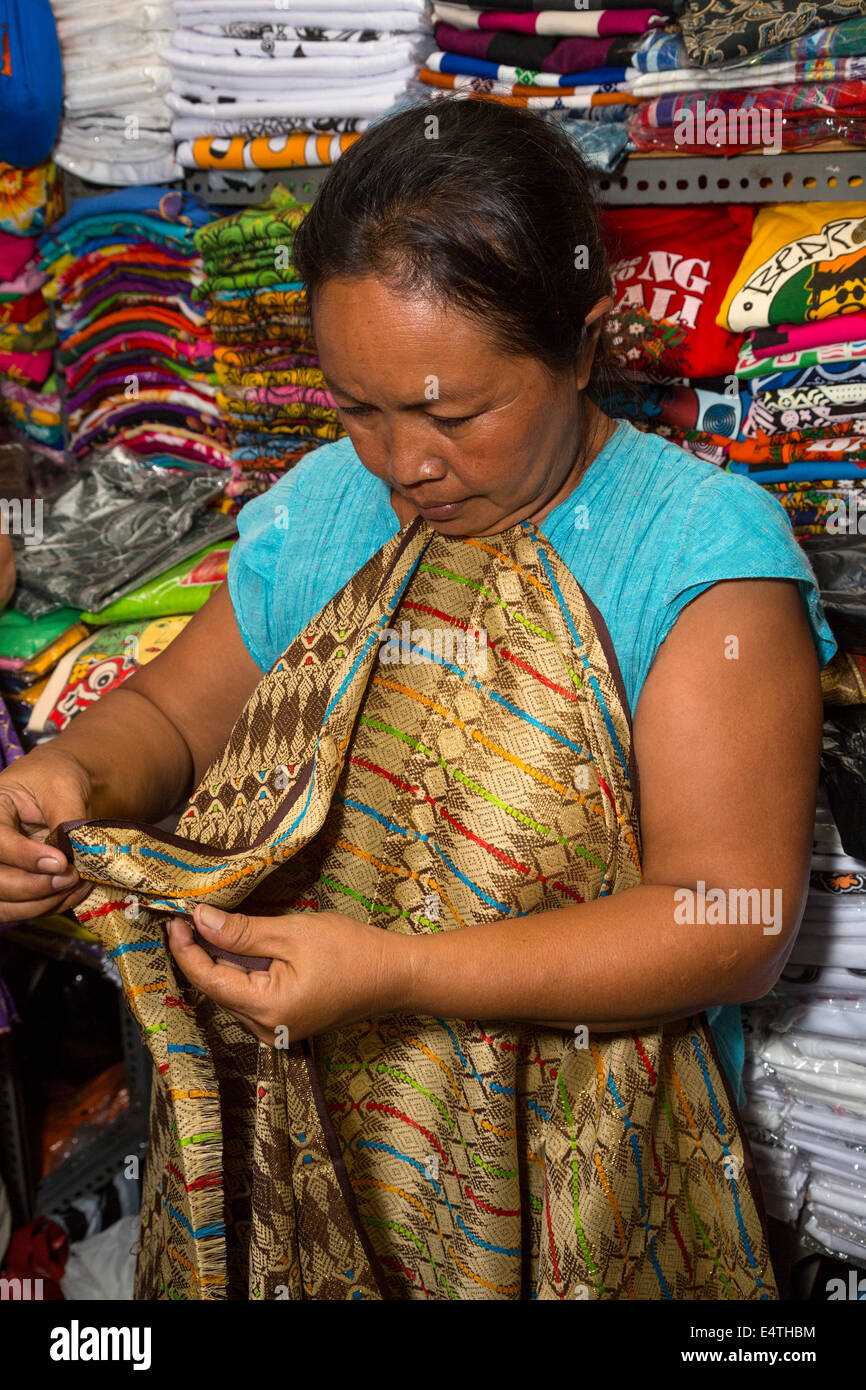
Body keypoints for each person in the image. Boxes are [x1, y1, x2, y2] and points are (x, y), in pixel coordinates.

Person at [0, 100, 836, 1300]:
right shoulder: (327, 502)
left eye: (453, 414)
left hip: (568, 1174)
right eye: (357, 406)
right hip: (301, 1132)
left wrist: (396, 974)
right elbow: (176, 719)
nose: (403, 464)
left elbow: (723, 918)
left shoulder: (696, 557)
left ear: (586, 342)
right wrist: (69, 776)